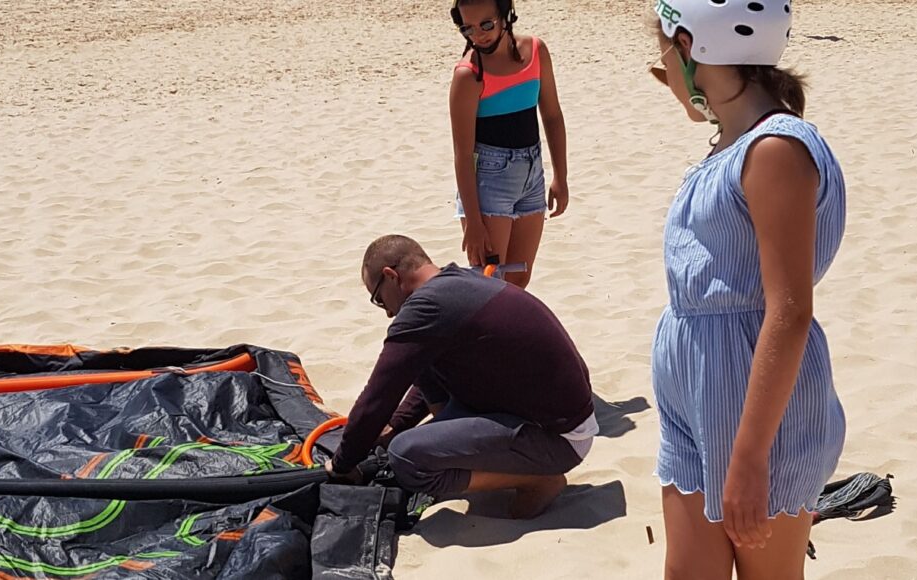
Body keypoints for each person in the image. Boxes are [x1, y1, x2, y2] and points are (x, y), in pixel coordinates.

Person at [645, 0, 847, 577]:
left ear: (690, 47)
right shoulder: (730, 148)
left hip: (756, 409)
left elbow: (788, 309)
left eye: (663, 55)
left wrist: (751, 456)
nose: (663, 75)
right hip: (697, 393)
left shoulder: (775, 149)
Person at [325, 234, 597, 518]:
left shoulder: (426, 308)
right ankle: (467, 455)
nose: (389, 313)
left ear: (391, 275)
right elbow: (414, 378)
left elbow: (379, 396)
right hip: (555, 418)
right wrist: (397, 423)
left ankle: (537, 480)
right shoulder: (460, 283)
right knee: (421, 361)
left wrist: (343, 464)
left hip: (558, 440)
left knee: (406, 455)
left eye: (380, 300)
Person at [448, 0, 569, 289]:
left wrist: (560, 177)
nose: (478, 35)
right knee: (489, 282)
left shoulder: (536, 51)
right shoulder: (468, 75)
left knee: (518, 280)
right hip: (489, 180)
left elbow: (552, 116)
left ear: (505, 14)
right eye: (468, 28)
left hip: (532, 174)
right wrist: (473, 222)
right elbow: (463, 156)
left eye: (486, 24)